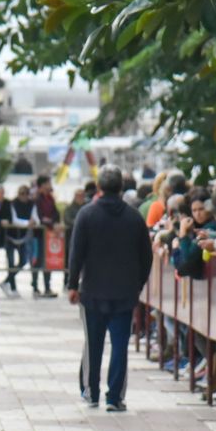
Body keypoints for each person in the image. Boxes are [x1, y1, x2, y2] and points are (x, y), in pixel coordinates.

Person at [66, 165, 152, 411]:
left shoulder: (86, 214)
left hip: (92, 290)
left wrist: (73, 284)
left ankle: (91, 392)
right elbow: (146, 256)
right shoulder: (134, 217)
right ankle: (114, 397)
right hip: (125, 293)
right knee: (120, 345)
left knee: (93, 344)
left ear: (100, 187)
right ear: (121, 188)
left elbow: (76, 253)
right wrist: (138, 284)